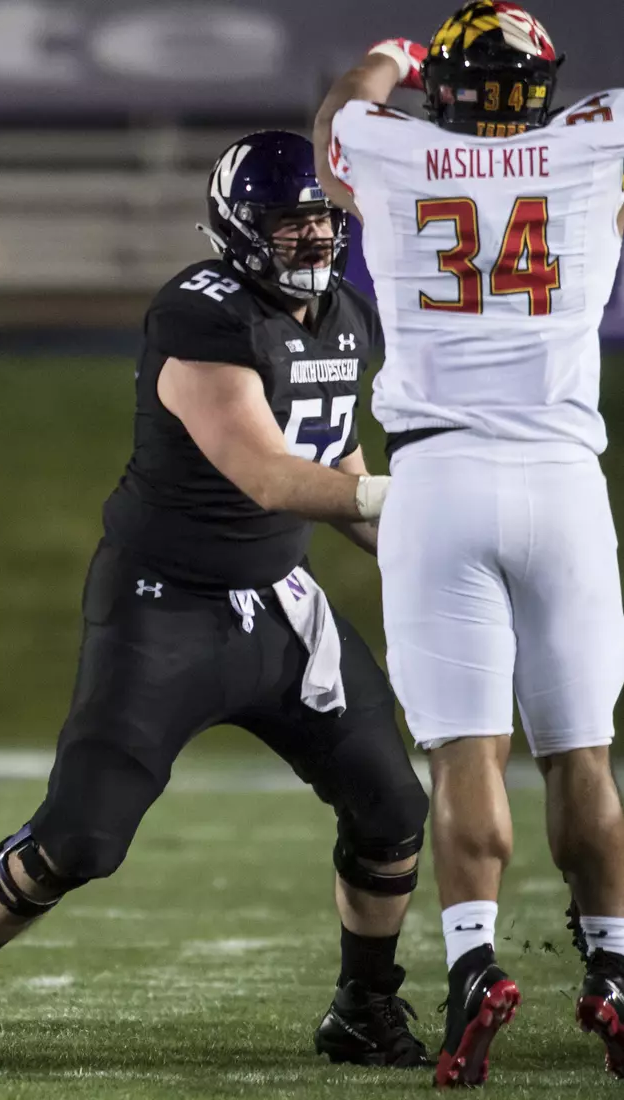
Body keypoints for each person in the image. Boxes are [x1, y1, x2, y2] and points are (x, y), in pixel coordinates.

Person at [0, 130, 429, 1069]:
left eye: (319, 218)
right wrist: (429, 502)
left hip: (280, 606)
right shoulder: (200, 313)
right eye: (288, 222)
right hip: (165, 606)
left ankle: (363, 1007)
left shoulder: (346, 315)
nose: (310, 236)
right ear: (237, 229)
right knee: (81, 840)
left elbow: (334, 460)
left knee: (392, 810)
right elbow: (269, 476)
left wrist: (427, 556)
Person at [315, 2, 624, 1086]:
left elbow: (338, 117)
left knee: (464, 753)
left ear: (438, 88)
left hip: (439, 479)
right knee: (582, 753)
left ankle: (473, 965)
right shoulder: (598, 138)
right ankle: (614, 969)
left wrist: (388, 58)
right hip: (564, 479)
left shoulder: (392, 150)